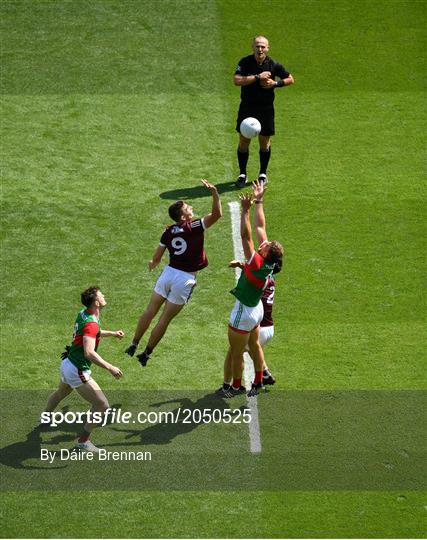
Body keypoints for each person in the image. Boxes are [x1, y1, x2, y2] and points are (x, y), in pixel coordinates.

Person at [125, 179, 222, 365]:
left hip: (168, 273)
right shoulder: (193, 227)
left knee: (150, 310)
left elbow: (157, 257)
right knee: (165, 318)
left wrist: (153, 263)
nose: (191, 207)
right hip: (185, 278)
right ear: (183, 216)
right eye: (187, 208)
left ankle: (134, 343)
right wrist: (215, 193)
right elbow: (217, 215)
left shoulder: (168, 231)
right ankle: (145, 353)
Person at [44, 286, 124, 452]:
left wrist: (113, 334)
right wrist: (110, 367)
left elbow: (93, 332)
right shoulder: (91, 323)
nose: (104, 295)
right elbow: (89, 352)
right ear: (96, 301)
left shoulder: (85, 313)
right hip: (77, 370)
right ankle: (83, 441)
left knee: (61, 393)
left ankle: (45, 417)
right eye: (101, 295)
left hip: (67, 363)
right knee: (102, 405)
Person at [227, 180, 283, 396]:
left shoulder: (256, 261)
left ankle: (236, 386)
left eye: (266, 246)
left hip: (246, 310)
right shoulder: (268, 263)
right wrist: (259, 200)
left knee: (236, 352)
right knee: (254, 347)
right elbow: (260, 227)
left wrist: (245, 211)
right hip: (258, 311)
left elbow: (246, 236)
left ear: (266, 254)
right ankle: (259, 380)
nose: (264, 243)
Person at [234, 35, 294, 187]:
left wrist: (275, 83)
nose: (260, 49)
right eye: (257, 46)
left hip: (266, 109)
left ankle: (262, 174)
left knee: (264, 141)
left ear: (267, 48)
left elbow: (290, 79)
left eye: (263, 46)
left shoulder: (273, 64)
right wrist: (257, 77)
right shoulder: (245, 62)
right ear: (253, 47)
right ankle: (242, 174)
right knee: (244, 140)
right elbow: (237, 80)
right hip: (247, 108)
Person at [217, 258, 281, 396]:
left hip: (259, 325)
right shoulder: (270, 278)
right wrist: (241, 265)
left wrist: (242, 264)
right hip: (268, 326)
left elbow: (252, 275)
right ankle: (264, 374)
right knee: (254, 348)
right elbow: (253, 272)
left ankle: (228, 387)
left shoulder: (259, 279)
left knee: (234, 353)